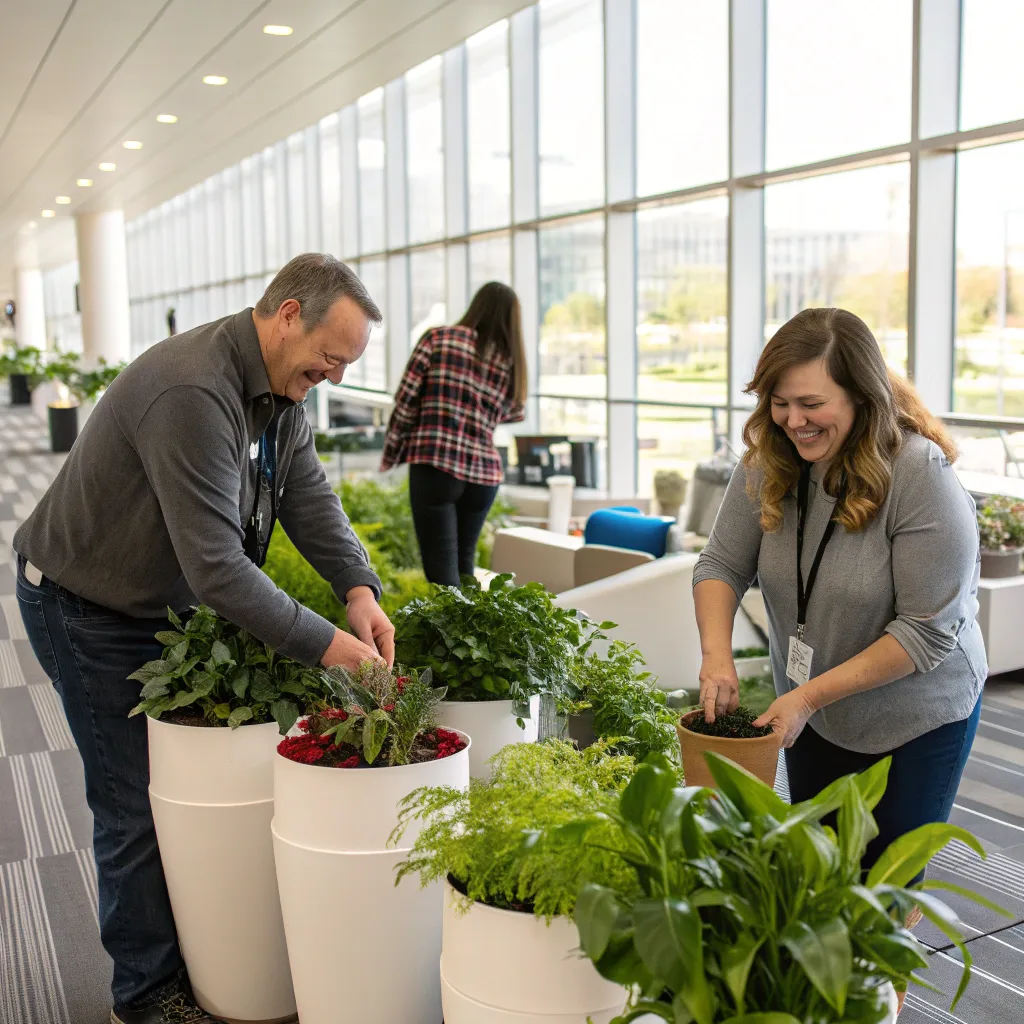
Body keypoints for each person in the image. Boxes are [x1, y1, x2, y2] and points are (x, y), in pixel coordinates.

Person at [13, 253, 396, 1024]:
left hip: (157, 603)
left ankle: (179, 961)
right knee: (132, 801)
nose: (335, 375)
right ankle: (144, 995)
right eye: (332, 356)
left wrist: (358, 588)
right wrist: (333, 648)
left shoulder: (283, 392)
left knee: (169, 793)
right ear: (288, 314)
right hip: (85, 604)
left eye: (347, 365)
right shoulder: (193, 391)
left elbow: (307, 495)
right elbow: (219, 571)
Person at [693, 306, 984, 874]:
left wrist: (806, 698)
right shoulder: (768, 460)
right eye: (780, 403)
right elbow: (721, 564)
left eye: (811, 403)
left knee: (879, 888)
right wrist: (716, 658)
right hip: (812, 712)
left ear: (862, 396)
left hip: (914, 716)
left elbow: (926, 632)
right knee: (818, 872)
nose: (793, 421)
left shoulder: (918, 473)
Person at [380, 281, 527, 585]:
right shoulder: (510, 361)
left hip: (436, 464)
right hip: (483, 475)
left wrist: (393, 451)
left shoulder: (438, 339)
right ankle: (472, 616)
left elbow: (406, 400)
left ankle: (451, 618)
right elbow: (516, 411)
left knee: (441, 575)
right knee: (463, 567)